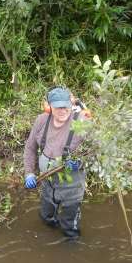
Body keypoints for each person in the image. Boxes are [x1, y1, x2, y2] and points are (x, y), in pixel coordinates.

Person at [23, 86, 87, 239]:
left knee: (70, 227)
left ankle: (71, 246)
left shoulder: (82, 122)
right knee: (46, 218)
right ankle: (49, 238)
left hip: (72, 186)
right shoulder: (41, 120)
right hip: (48, 182)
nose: (63, 110)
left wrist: (80, 162)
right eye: (58, 107)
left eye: (66, 106)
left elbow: (95, 152)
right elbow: (30, 148)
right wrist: (29, 173)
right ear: (50, 106)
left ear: (71, 104)